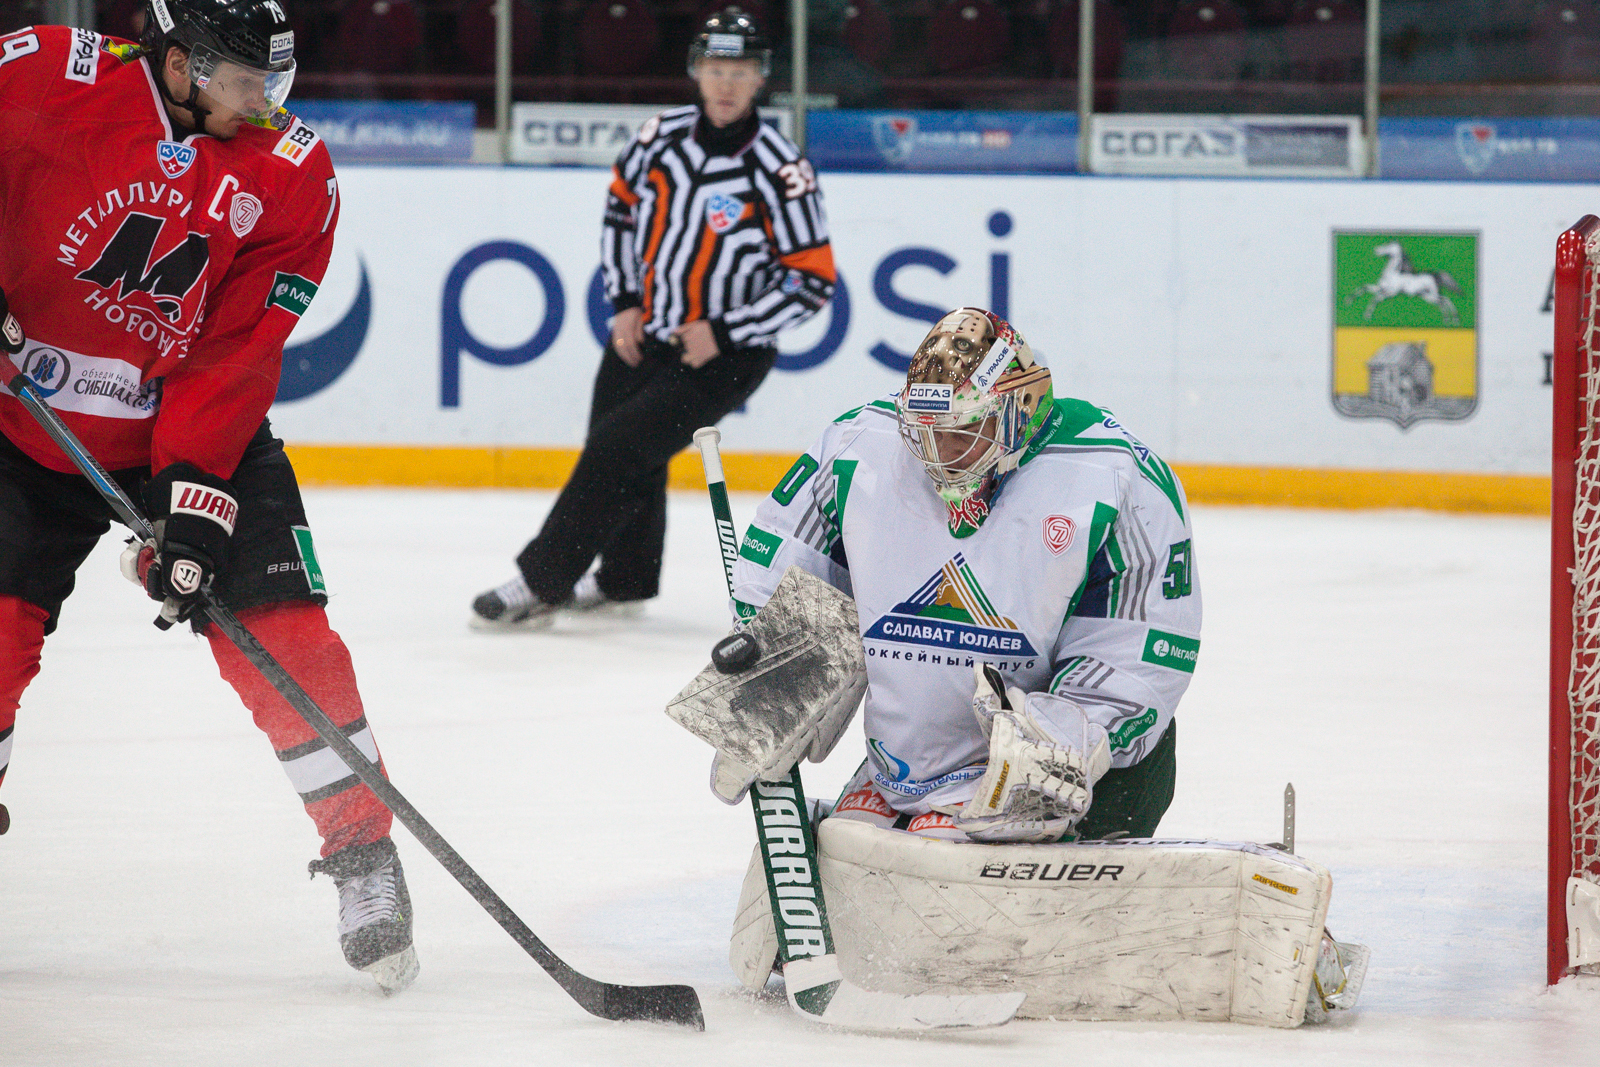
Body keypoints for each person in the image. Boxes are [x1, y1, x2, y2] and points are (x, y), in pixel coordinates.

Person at [0, 3, 417, 993]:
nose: (266, 105)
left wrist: (192, 497)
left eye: (277, 82)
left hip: (192, 423)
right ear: (178, 63)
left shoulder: (293, 170)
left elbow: (237, 346)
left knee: (286, 633)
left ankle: (364, 855)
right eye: (244, 84)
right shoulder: (39, 74)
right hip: (19, 432)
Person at [725, 307, 1201, 843]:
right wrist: (774, 676)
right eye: (926, 432)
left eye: (964, 431)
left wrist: (1066, 739)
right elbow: (787, 565)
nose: (940, 455)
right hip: (899, 775)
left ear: (1019, 409)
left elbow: (1141, 640)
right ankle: (904, 788)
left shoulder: (1114, 473)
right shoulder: (858, 446)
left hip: (1083, 782)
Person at [471, 6, 836, 630]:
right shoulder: (657, 137)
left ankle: (540, 581)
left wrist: (724, 331)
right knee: (623, 453)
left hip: (725, 358)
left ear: (759, 80)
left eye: (741, 69)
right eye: (717, 67)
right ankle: (624, 580)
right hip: (644, 333)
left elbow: (812, 282)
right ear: (697, 70)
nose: (726, 82)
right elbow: (619, 219)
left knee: (617, 449)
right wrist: (625, 304)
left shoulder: (781, 169)